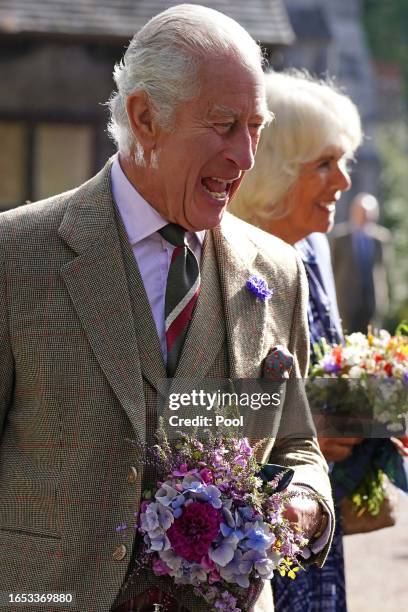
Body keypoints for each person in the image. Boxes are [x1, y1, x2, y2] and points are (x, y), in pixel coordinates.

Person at [0, 6, 333, 612]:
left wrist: (304, 505)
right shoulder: (14, 255)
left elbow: (295, 449)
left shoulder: (278, 272)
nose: (247, 156)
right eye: (226, 125)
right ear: (145, 118)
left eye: (256, 127)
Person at [229, 70, 364, 612]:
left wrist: (373, 414)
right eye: (325, 164)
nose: (345, 182)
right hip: (251, 541)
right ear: (277, 171)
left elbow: (322, 373)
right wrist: (302, 433)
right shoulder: (221, 260)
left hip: (310, 528)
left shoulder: (311, 256)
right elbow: (175, 408)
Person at [331, 192, 392, 333]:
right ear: (354, 212)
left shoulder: (381, 239)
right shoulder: (340, 238)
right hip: (346, 302)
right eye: (362, 212)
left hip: (372, 302)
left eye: (368, 213)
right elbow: (333, 268)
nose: (365, 216)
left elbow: (384, 269)